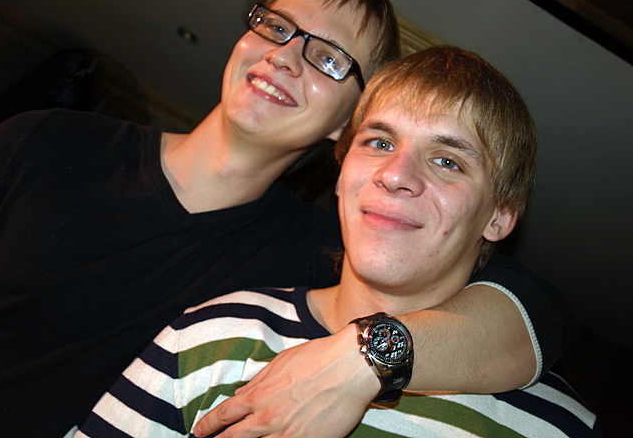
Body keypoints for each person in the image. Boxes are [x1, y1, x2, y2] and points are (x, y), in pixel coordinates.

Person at [0, 0, 569, 437]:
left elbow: (531, 309)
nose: (285, 55)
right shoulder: (45, 141)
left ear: (349, 124)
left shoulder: (327, 251)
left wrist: (371, 357)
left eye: (329, 58)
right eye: (276, 26)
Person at [74, 46, 601, 437]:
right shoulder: (213, 334)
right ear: (343, 168)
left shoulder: (559, 426)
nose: (396, 175)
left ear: (500, 216)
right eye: (379, 142)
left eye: (447, 160)